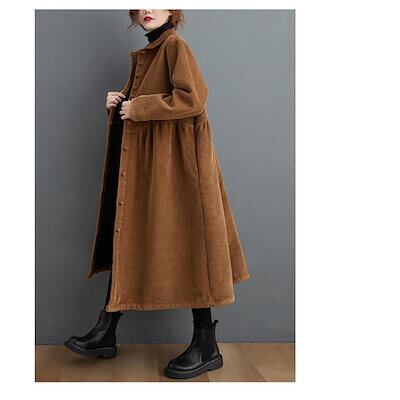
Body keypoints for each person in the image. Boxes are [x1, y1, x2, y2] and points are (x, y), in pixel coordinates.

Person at [65, 9, 250, 380]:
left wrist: (138, 106)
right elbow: (142, 111)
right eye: (140, 3)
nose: (147, 9)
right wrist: (119, 103)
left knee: (192, 247)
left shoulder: (175, 46)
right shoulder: (151, 53)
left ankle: (206, 345)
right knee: (128, 237)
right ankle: (106, 330)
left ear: (173, 10)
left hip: (179, 170)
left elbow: (193, 98)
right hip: (152, 169)